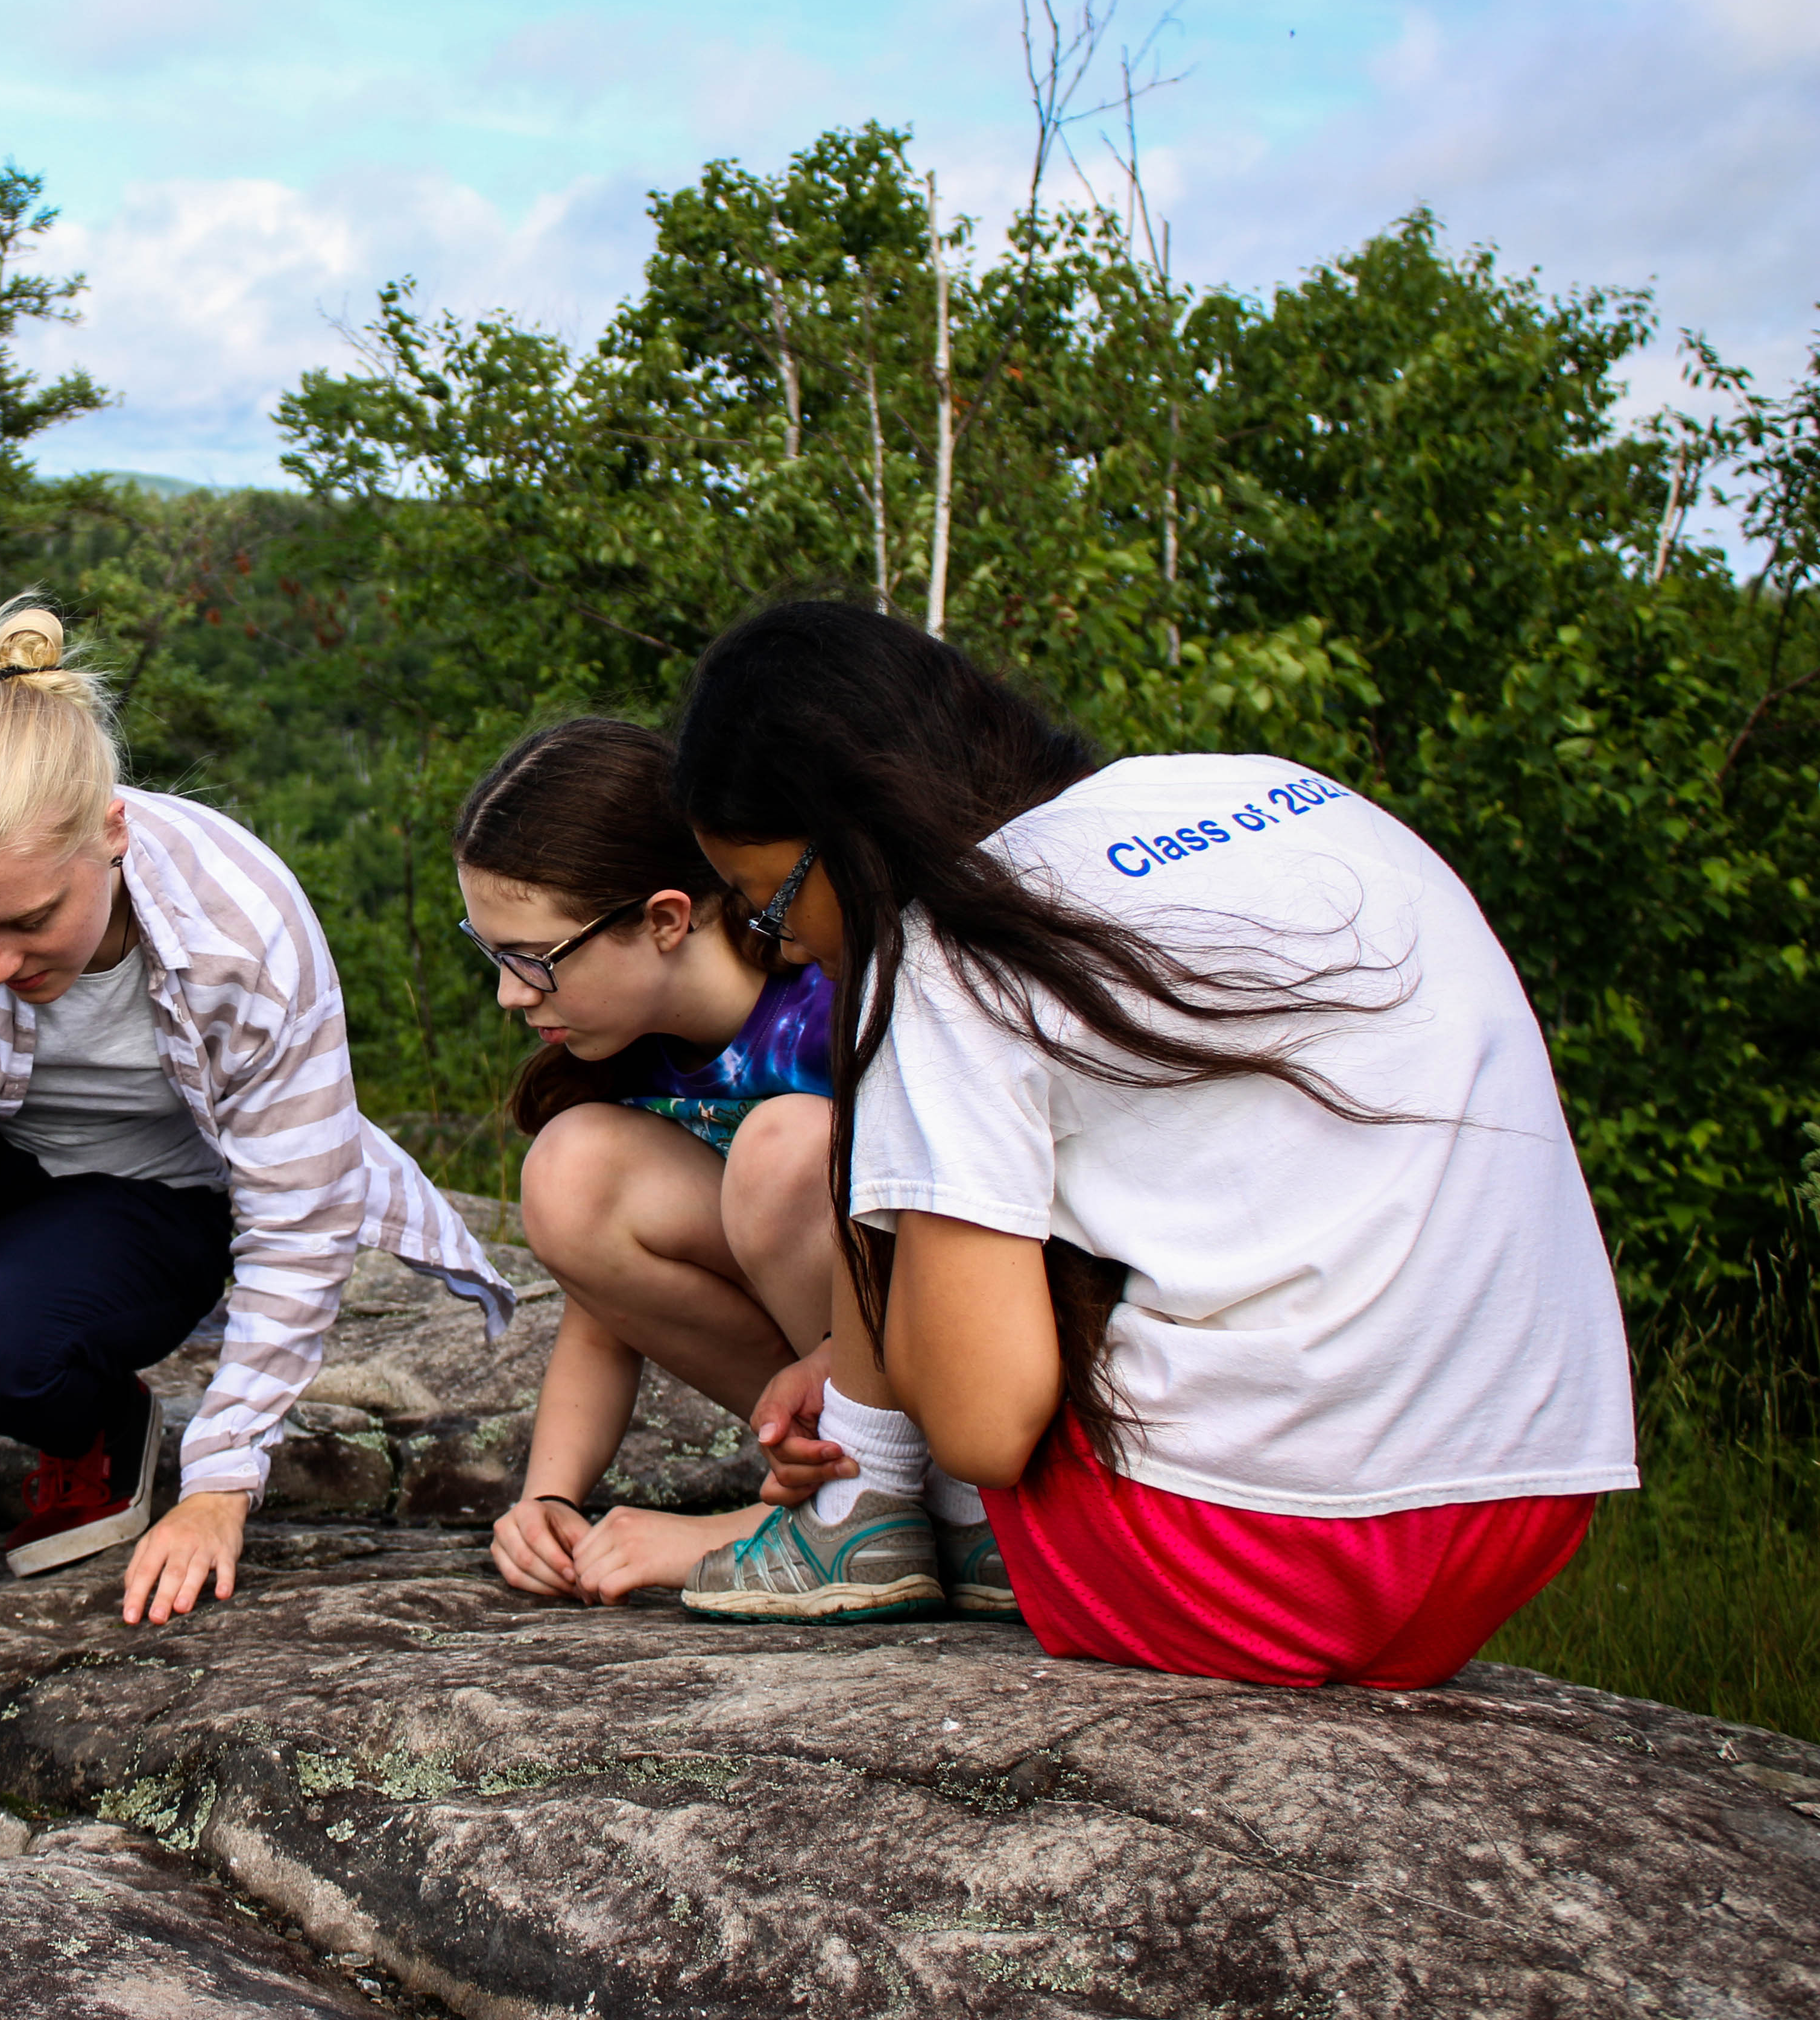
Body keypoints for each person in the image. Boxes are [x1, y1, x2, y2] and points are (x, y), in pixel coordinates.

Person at [668, 599, 1636, 1687]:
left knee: (880, 1111)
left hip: (1247, 1555)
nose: (784, 947)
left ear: (857, 822)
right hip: (1521, 1509)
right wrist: (854, 1355)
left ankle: (862, 1512)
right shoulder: (1269, 789)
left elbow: (987, 1430)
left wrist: (881, 1382)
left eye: (774, 899)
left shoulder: (954, 939)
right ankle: (880, 1472)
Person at [0, 597, 514, 1668]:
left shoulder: (242, 929)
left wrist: (220, 1485)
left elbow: (298, 1221)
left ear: (112, 832)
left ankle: (107, 1428)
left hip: (164, 1207)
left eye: (29, 922)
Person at [447, 719, 859, 1604]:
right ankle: (834, 1478)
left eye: (533, 960)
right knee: (570, 1174)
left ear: (666, 919)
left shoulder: (832, 1001)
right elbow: (606, 1313)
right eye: (491, 954)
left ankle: (875, 1502)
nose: (510, 994)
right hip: (821, 1380)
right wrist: (549, 1498)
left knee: (782, 1151)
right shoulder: (627, 1050)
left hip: (936, 1357)